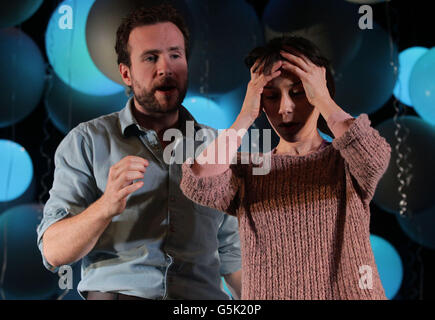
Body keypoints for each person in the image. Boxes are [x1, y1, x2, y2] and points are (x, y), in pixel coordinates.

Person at [37, 4, 242, 300]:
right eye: (151, 58)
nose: (166, 68)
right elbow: (54, 251)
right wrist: (106, 205)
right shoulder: (86, 141)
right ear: (126, 73)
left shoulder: (218, 146)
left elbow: (233, 256)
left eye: (175, 55)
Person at [180, 36, 392, 300]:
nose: (285, 108)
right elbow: (199, 180)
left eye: (298, 92)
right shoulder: (251, 170)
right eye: (270, 96)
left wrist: (325, 101)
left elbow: (374, 157)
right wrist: (245, 116)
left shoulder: (345, 161)